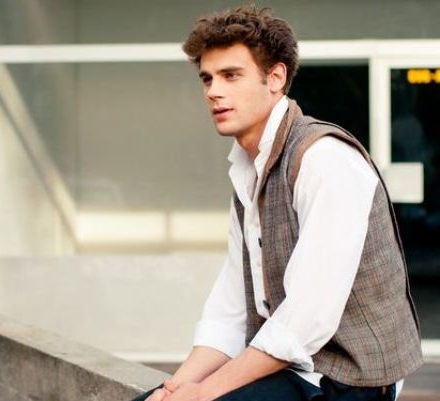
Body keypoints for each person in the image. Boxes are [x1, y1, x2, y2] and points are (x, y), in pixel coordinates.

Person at [132, 5, 423, 401]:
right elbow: (231, 311)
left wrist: (202, 394)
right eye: (207, 78)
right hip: (288, 368)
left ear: (276, 78)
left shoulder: (324, 160)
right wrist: (176, 387)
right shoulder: (247, 172)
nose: (213, 91)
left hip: (350, 381)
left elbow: (306, 319)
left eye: (231, 75)